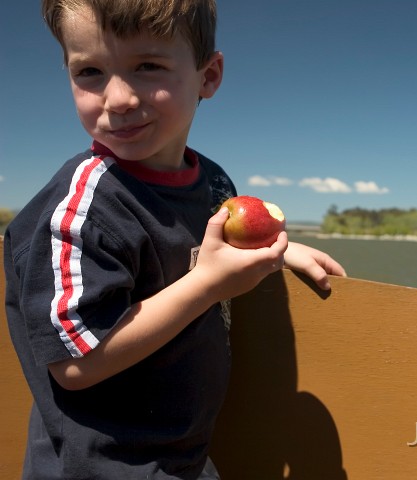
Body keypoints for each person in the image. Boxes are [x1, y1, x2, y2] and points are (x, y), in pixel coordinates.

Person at [3, 1, 346, 478]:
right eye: (90, 72)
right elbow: (75, 364)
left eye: (147, 67)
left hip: (185, 454)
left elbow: (219, 249)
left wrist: (278, 252)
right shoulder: (82, 208)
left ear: (208, 76)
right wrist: (208, 284)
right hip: (101, 464)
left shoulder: (215, 185)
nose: (117, 97)